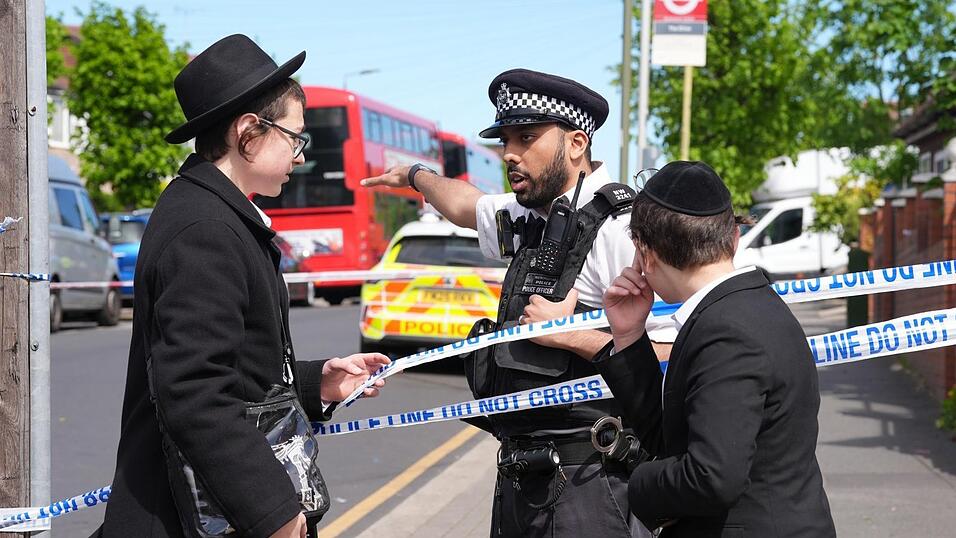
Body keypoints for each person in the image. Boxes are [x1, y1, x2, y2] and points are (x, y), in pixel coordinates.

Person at [96, 35, 389, 538]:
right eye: (295, 138)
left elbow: (233, 368)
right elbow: (194, 390)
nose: (300, 155)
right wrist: (272, 511)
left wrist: (314, 382)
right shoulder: (205, 231)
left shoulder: (215, 214)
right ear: (248, 132)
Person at [362, 69, 667, 537]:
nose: (510, 153)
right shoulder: (532, 213)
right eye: (506, 139)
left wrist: (574, 337)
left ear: (577, 144)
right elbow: (467, 206)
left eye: (527, 137)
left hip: (592, 482)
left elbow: (676, 353)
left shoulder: (621, 230)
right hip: (524, 480)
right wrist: (416, 176)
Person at [593, 161, 837, 537]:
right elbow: (674, 439)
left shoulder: (725, 330)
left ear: (646, 254)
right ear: (734, 237)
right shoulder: (747, 306)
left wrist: (640, 484)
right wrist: (628, 336)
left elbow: (712, 476)